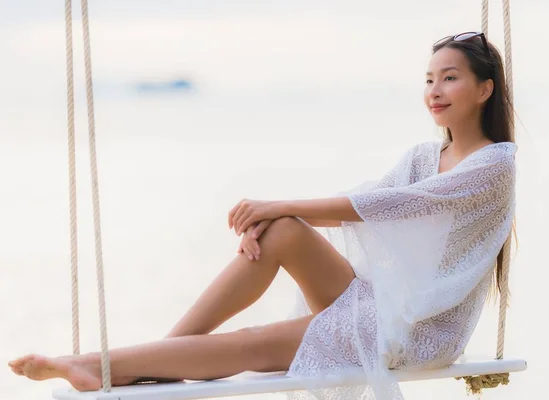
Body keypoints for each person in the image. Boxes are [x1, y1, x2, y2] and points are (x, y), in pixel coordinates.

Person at [8, 31, 517, 400]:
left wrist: (284, 201)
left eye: (450, 78)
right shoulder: (422, 156)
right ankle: (154, 357)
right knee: (279, 232)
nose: (434, 90)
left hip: (419, 331)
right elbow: (362, 201)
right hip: (378, 301)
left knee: (250, 343)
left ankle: (98, 366)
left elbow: (391, 207)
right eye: (429, 78)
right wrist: (279, 215)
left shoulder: (496, 163)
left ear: (484, 89)